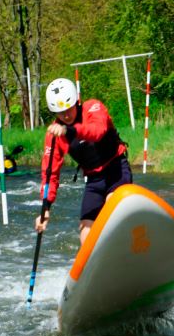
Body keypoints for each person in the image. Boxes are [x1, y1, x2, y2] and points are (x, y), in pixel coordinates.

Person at [34, 77, 132, 245]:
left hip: (116, 170)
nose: (65, 115)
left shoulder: (93, 108)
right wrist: (46, 207)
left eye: (68, 108)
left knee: (113, 205)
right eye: (60, 112)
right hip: (94, 180)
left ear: (76, 102)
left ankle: (125, 246)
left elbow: (97, 131)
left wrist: (69, 131)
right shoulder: (54, 134)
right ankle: (91, 265)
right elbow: (50, 174)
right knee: (85, 231)